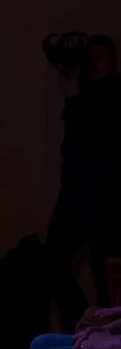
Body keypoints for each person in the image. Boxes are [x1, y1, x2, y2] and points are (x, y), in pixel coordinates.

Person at [46, 34, 121, 327]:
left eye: (104, 59)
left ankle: (103, 338)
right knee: (53, 260)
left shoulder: (114, 93)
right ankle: (82, 328)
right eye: (93, 58)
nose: (97, 65)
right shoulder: (81, 93)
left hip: (104, 197)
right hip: (74, 193)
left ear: (113, 62)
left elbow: (90, 129)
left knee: (104, 277)